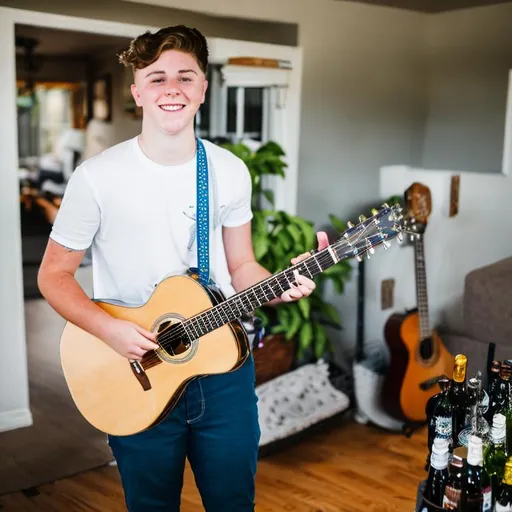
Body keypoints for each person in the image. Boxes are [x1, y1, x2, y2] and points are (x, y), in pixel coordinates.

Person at [37, 25, 328, 512]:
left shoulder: (230, 170)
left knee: (234, 503)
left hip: (223, 368)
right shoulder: (96, 178)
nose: (172, 88)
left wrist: (283, 286)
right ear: (137, 92)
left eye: (185, 77)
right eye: (157, 78)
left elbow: (243, 267)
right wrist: (109, 330)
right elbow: (52, 275)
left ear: (203, 89)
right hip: (137, 369)